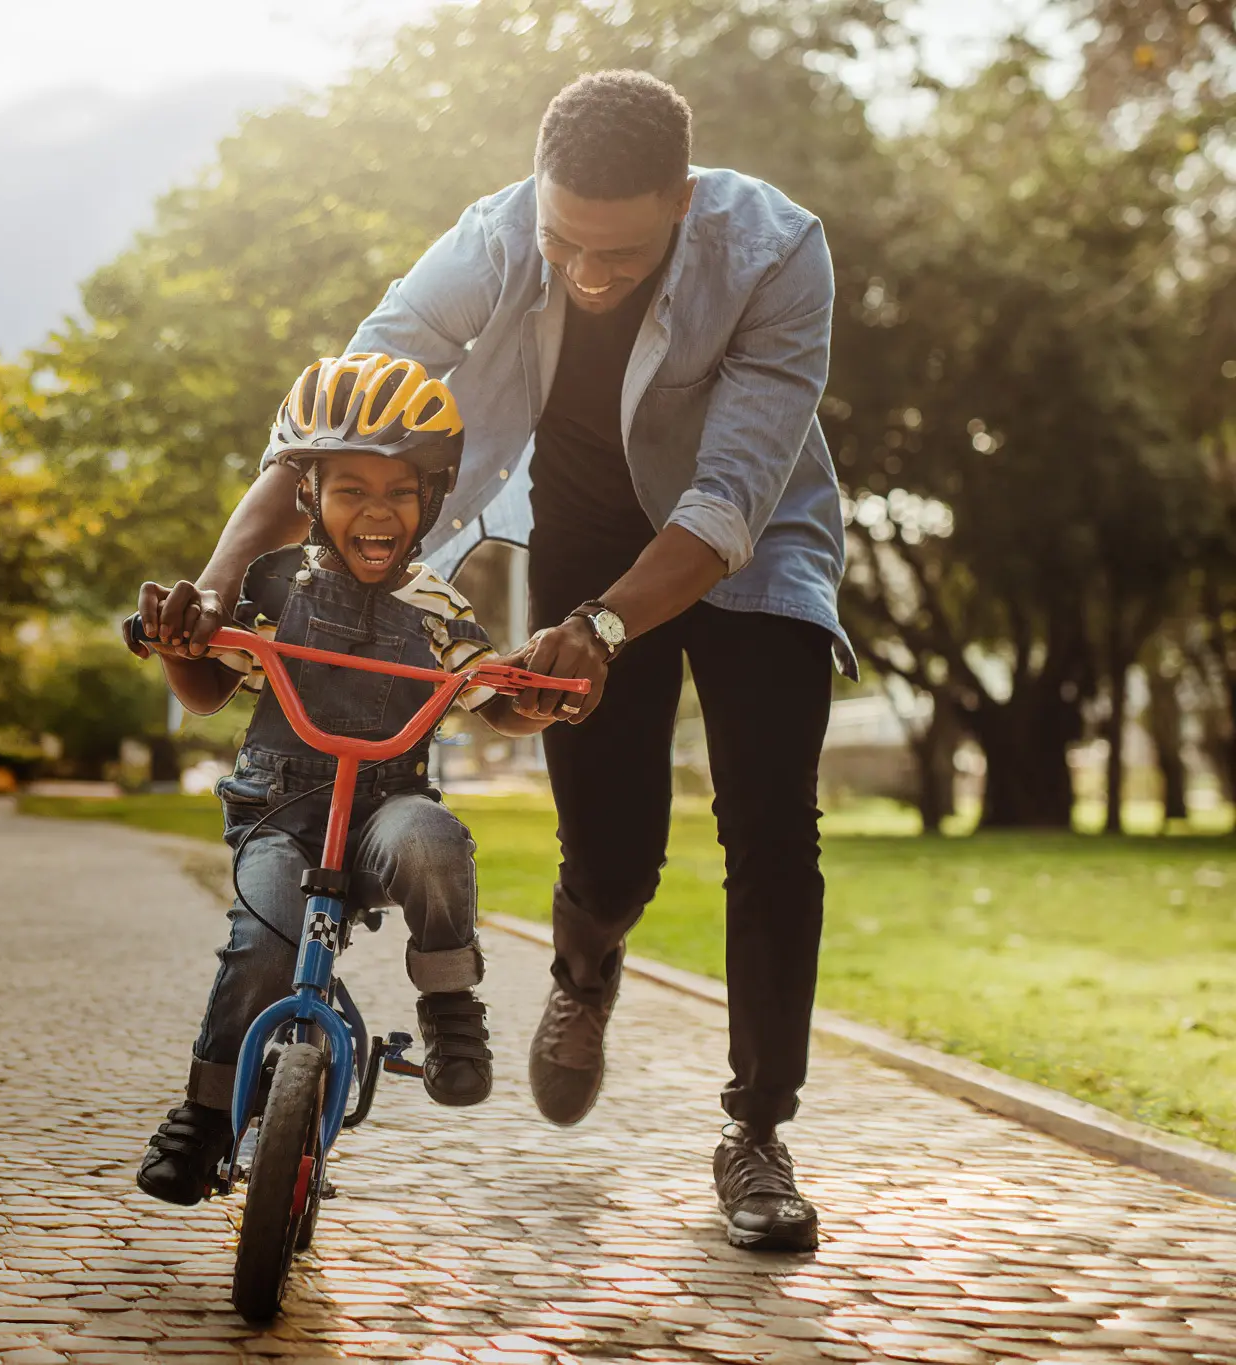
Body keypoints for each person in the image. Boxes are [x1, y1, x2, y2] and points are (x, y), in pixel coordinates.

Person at [145, 71, 851, 1252]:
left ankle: (757, 1133)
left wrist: (609, 629)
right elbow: (337, 417)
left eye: (618, 255)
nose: (585, 273)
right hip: (585, 532)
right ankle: (586, 965)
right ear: (537, 191)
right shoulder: (491, 236)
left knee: (771, 826)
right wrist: (218, 581)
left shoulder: (776, 253)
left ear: (681, 200)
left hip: (749, 540)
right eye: (564, 241)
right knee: (614, 851)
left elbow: (728, 496)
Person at [132, 353, 558, 1208]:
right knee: (264, 942)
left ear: (431, 501)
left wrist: (536, 698)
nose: (377, 511)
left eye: (401, 492)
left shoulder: (438, 605)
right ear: (309, 497)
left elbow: (488, 697)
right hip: (280, 813)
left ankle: (448, 1007)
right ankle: (206, 1112)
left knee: (433, 841)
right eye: (352, 488)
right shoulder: (270, 589)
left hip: (382, 813)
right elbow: (212, 690)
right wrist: (182, 647)